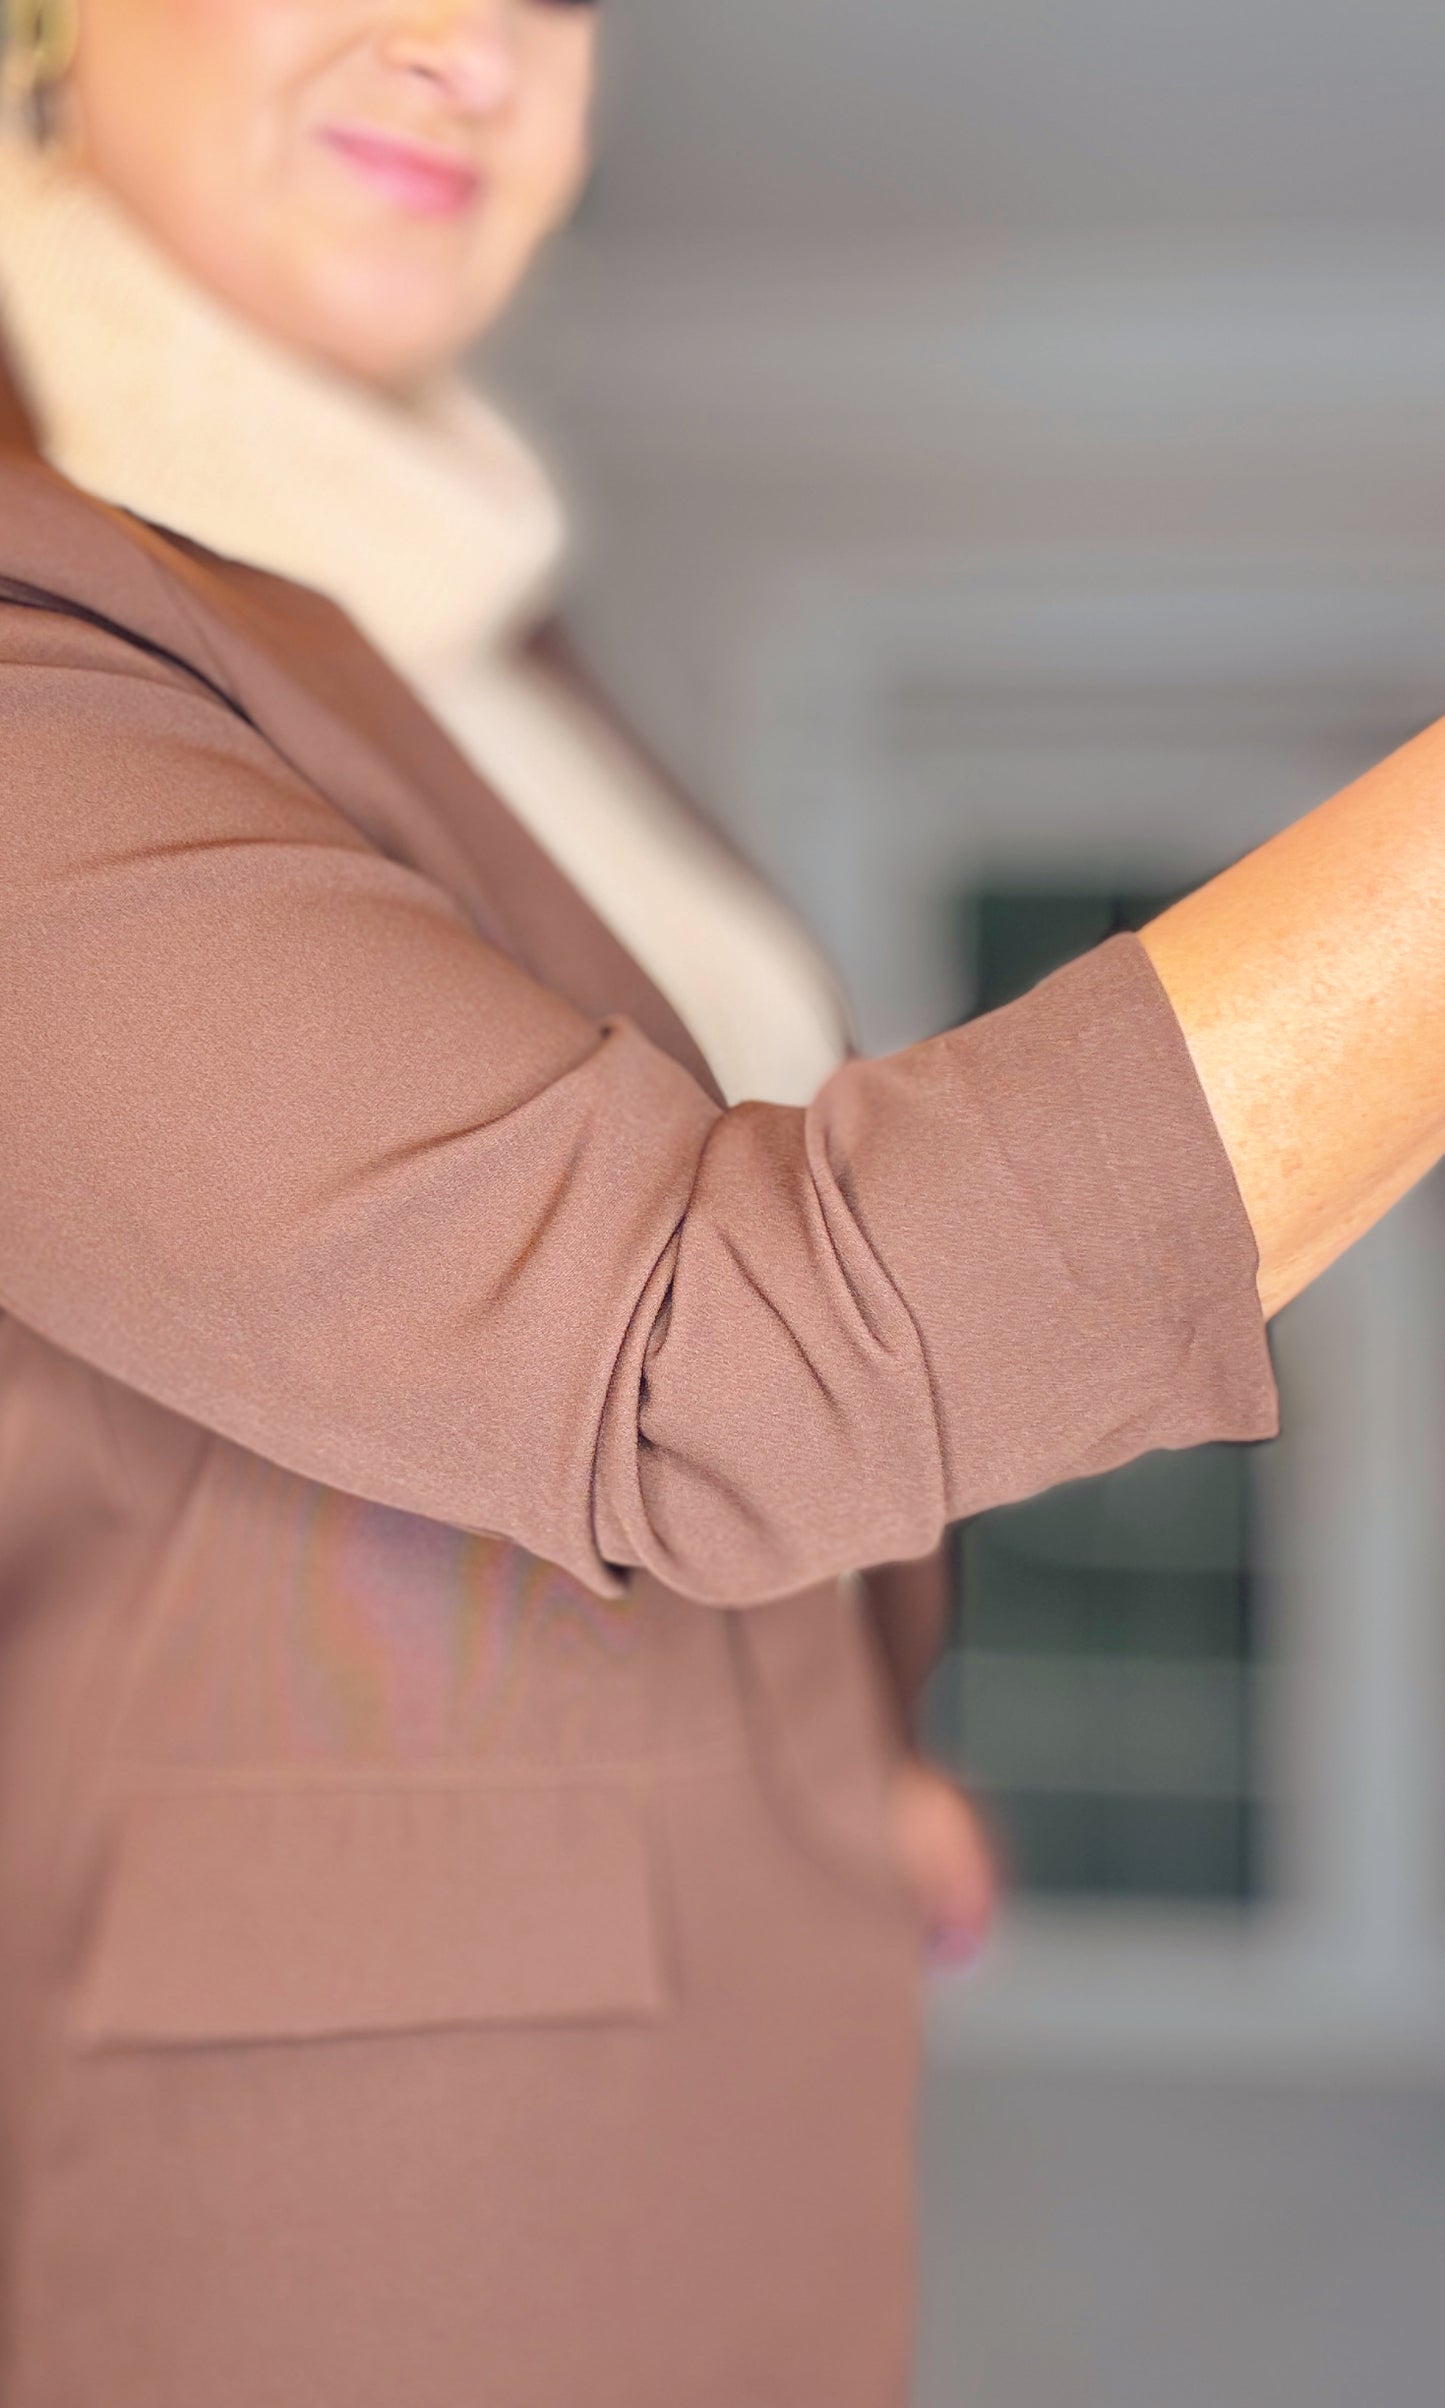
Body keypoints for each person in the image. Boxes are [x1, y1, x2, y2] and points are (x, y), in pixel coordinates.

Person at [0, 4, 1439, 2405]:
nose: (471, 50)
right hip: (360, 2206)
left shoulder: (497, 655)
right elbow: (709, 1352)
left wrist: (836, 1742)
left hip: (726, 2006)